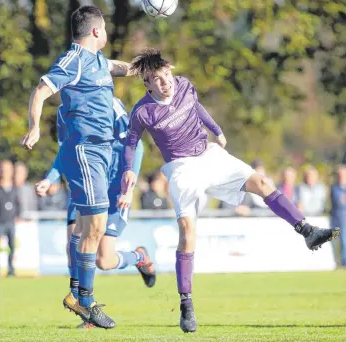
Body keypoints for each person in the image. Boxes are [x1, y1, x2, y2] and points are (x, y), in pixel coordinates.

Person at [118, 48, 341, 333]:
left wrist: (217, 129)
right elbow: (131, 142)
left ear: (170, 70)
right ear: (146, 83)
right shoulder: (142, 111)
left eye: (165, 75)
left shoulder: (185, 85)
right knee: (188, 232)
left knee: (261, 182)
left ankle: (307, 232)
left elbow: (197, 108)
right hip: (182, 168)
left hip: (208, 154)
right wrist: (128, 170)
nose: (164, 83)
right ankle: (186, 303)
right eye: (156, 80)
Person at [20, 5, 148, 329]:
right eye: (104, 28)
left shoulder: (98, 62)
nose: (106, 33)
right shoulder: (73, 60)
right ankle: (86, 302)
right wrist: (34, 126)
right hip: (86, 151)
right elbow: (41, 90)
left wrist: (145, 65)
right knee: (94, 228)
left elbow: (119, 68)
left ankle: (77, 294)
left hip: (102, 153)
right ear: (95, 31)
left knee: (84, 230)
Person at [35, 98, 153, 329]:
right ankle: (87, 310)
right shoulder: (63, 112)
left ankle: (139, 257)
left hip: (114, 188)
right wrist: (49, 179)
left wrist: (127, 189)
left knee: (104, 260)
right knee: (74, 246)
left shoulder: (108, 103)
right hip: (83, 183)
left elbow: (136, 145)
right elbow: (65, 152)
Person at [0, 160, 20, 277]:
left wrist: (18, 215)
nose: (5, 171)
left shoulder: (15, 187)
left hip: (11, 222)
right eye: (3, 168)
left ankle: (11, 270)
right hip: (0, 221)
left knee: (12, 247)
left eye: (8, 169)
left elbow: (18, 204)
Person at [330, 165, 346, 267]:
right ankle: (336, 262)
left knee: (344, 240)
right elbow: (338, 201)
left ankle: (344, 262)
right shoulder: (334, 188)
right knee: (334, 241)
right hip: (336, 217)